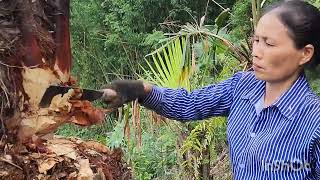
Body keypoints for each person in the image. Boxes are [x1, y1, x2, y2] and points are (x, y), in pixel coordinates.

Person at [101, 1, 320, 179]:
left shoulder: (314, 122)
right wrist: (142, 89)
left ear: (305, 53)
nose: (256, 52)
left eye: (269, 44)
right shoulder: (242, 86)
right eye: (256, 40)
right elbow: (190, 104)